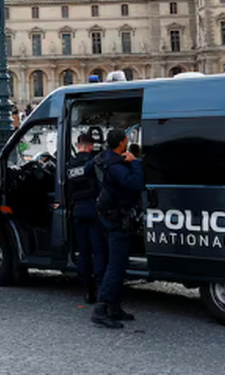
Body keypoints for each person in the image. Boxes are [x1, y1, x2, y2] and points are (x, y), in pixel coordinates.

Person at [91, 129, 144, 329]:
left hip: (109, 217)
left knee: (118, 266)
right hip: (117, 220)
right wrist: (136, 162)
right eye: (126, 140)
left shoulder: (103, 159)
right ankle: (101, 309)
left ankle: (114, 307)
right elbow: (136, 183)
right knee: (115, 267)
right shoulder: (117, 166)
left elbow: (87, 172)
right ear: (122, 142)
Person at [67, 133, 106, 304]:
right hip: (93, 210)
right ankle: (99, 287)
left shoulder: (70, 165)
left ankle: (87, 289)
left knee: (83, 252)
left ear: (78, 145)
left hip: (77, 211)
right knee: (97, 251)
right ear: (90, 146)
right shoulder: (93, 163)